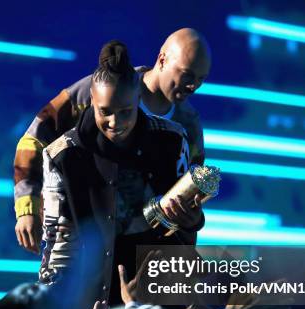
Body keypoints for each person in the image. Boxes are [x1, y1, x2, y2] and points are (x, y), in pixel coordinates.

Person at [14, 28, 212, 253]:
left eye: (200, 79)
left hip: (141, 259)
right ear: (162, 59)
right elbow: (33, 139)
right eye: (186, 74)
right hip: (82, 249)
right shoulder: (100, 90)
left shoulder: (189, 126)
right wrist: (27, 208)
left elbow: (190, 195)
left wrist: (189, 225)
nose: (192, 86)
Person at [39, 40, 204, 307]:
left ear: (138, 98)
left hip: (159, 299)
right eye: (106, 111)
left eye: (126, 111)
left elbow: (185, 226)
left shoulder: (173, 141)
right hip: (91, 306)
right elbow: (58, 241)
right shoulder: (62, 156)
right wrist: (52, 303)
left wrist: (192, 219)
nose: (116, 122)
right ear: (91, 100)